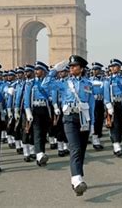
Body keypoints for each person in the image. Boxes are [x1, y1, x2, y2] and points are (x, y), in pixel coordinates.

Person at [43, 55, 95, 196]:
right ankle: (77, 179)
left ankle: (77, 179)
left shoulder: (88, 84)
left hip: (84, 118)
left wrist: (93, 124)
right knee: (75, 148)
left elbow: (91, 105)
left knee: (82, 150)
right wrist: (54, 70)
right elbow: (45, 85)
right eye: (70, 66)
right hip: (69, 118)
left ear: (81, 68)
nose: (71, 68)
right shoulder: (64, 83)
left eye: (74, 66)